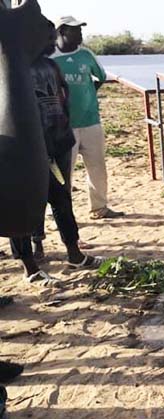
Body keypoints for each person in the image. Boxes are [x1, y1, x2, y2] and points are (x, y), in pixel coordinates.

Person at [10, 20, 102, 287]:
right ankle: (30, 267)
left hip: (56, 145)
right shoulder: (13, 69)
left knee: (62, 201)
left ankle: (74, 254)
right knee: (22, 208)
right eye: (48, 38)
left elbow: (64, 101)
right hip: (25, 153)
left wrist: (62, 137)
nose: (53, 43)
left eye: (53, 37)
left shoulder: (51, 66)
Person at [52, 15, 124, 220]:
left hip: (91, 122)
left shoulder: (86, 55)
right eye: (75, 30)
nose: (80, 34)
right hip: (64, 126)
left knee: (97, 167)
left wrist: (87, 97)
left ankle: (100, 208)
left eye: (80, 30)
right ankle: (62, 214)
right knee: (64, 173)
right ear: (61, 32)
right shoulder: (49, 58)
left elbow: (99, 78)